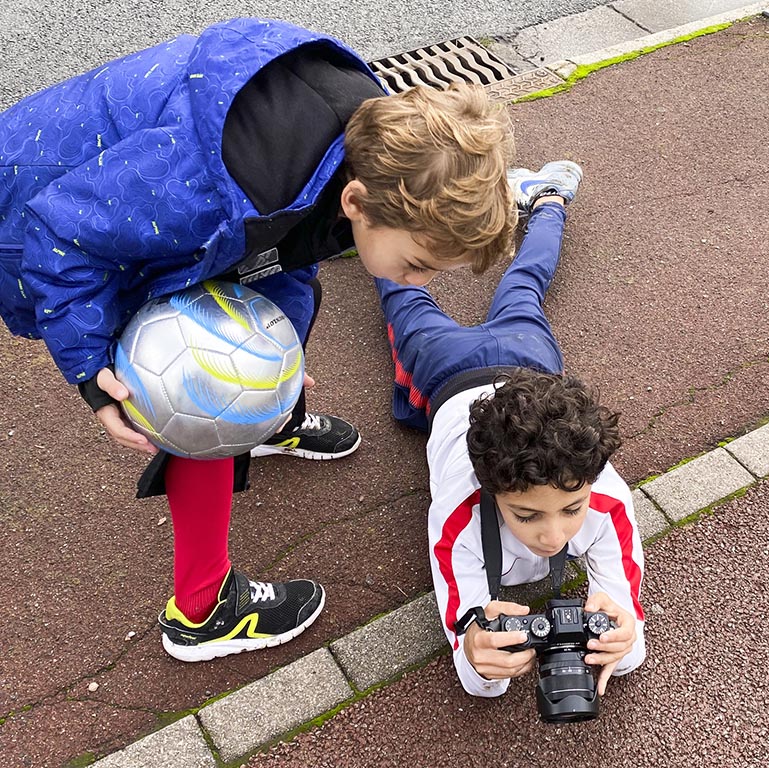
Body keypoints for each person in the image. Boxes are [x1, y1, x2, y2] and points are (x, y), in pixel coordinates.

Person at [0, 17, 515, 661]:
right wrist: (90, 371)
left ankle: (270, 421)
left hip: (118, 201)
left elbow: (285, 249)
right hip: (32, 217)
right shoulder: (211, 188)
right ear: (357, 203)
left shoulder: (360, 145)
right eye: (417, 264)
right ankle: (202, 610)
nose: (418, 282)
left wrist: (279, 367)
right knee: (202, 389)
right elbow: (60, 232)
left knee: (274, 324)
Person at [375, 161, 646, 698]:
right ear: (488, 486)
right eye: (527, 514)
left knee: (524, 283)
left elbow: (630, 650)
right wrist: (475, 653)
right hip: (451, 368)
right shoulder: (457, 513)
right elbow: (478, 681)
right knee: (404, 291)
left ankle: (550, 197)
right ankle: (378, 220)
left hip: (528, 365)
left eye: (572, 508)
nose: (554, 537)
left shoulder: (609, 497)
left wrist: (625, 637)